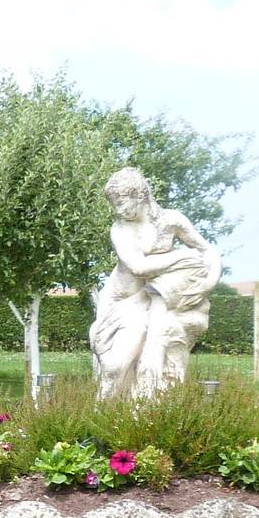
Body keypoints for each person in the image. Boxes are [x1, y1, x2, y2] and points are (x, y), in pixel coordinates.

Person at [91, 167, 220, 399]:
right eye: (113, 205)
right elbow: (138, 267)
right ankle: (100, 418)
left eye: (121, 203)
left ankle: (140, 413)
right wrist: (182, 256)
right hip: (119, 302)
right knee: (114, 369)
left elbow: (207, 251)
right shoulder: (120, 229)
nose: (117, 210)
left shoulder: (171, 220)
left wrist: (208, 283)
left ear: (139, 195)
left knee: (143, 364)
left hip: (149, 299)